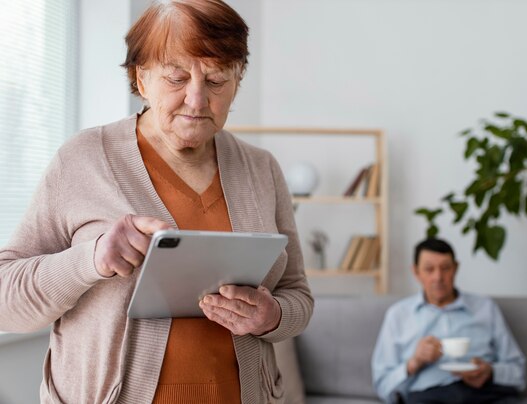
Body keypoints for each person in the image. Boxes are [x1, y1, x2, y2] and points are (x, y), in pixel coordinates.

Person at [0, 1, 313, 403]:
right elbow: (6, 300)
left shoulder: (261, 168)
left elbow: (298, 294)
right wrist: (91, 259)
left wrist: (272, 316)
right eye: (177, 77)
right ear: (140, 78)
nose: (197, 100)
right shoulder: (81, 158)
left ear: (239, 78)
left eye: (216, 79)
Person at [371, 238, 525, 404]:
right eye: (429, 269)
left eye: (445, 268)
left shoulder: (485, 308)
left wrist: (491, 372)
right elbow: (382, 386)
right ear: (416, 272)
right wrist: (414, 363)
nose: (438, 277)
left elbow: (519, 373)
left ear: (456, 268)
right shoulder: (398, 315)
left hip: (486, 394)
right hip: (427, 396)